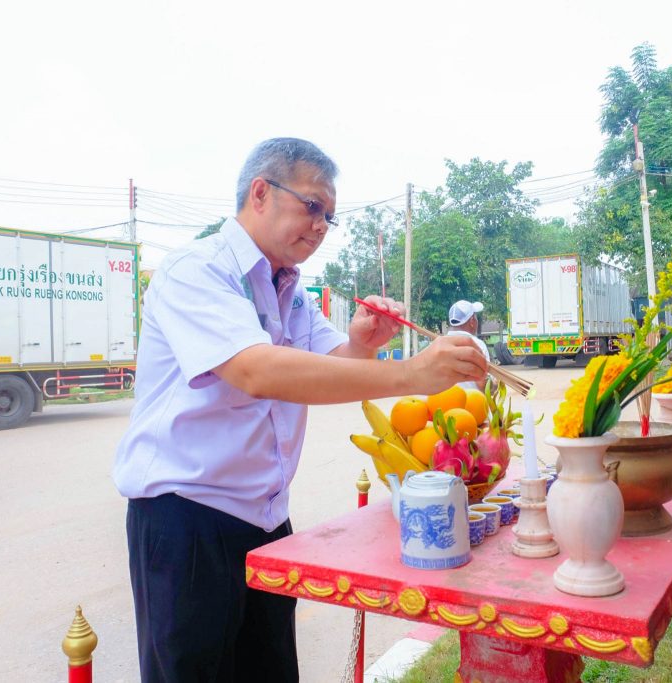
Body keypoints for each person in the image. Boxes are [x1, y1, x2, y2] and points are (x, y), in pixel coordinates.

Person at [112, 138, 487, 682]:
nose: (320, 226)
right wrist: (411, 373)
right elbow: (257, 371)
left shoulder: (290, 288)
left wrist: (365, 343)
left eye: (328, 217)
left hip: (264, 520)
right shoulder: (198, 270)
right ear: (261, 192)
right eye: (312, 206)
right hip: (186, 518)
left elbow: (330, 362)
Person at [447, 300, 491, 391]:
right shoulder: (477, 345)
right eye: (476, 317)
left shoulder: (439, 345)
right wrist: (494, 385)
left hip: (442, 403)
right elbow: (483, 384)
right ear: (472, 321)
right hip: (472, 403)